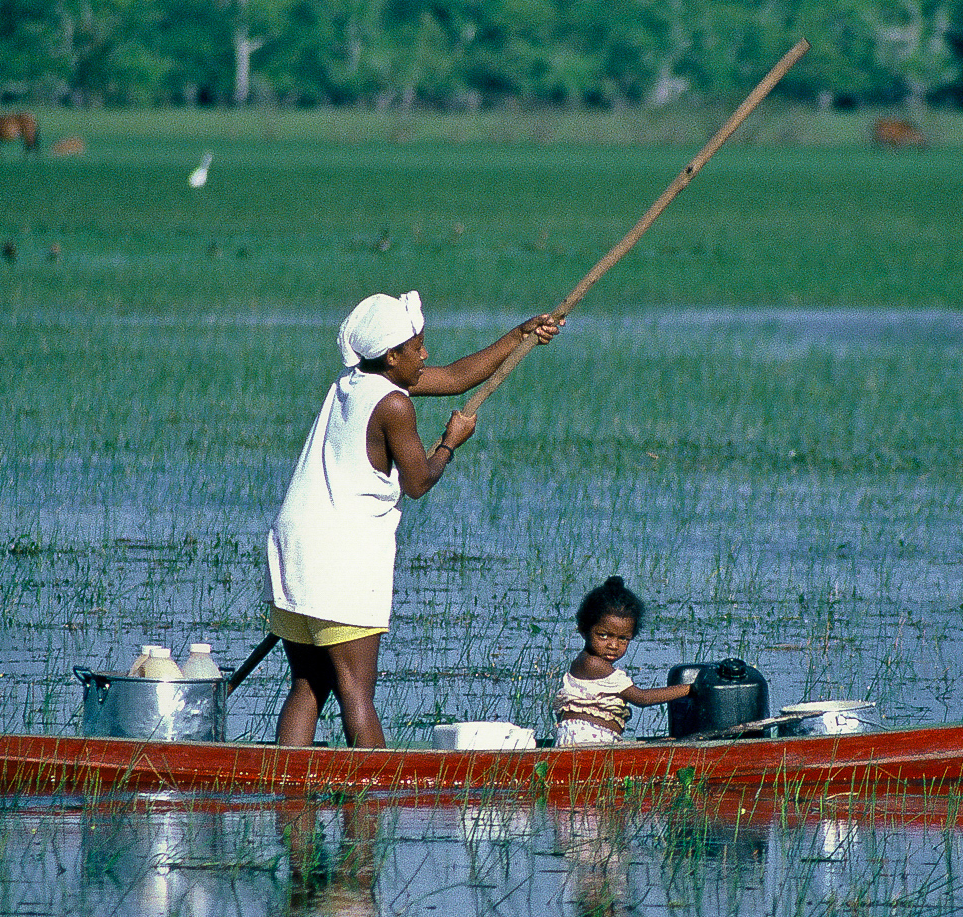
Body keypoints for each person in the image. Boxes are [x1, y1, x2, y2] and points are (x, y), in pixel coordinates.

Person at [269, 291, 560, 748]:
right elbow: (418, 482)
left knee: (308, 686)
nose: (424, 355)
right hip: (340, 555)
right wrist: (450, 441)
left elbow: (457, 377)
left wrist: (520, 335)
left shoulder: (354, 380)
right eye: (417, 347)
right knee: (356, 693)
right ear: (391, 355)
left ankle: (283, 788)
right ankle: (376, 800)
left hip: (297, 546)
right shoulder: (394, 405)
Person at [554, 576, 691, 746]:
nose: (613, 645)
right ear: (584, 630)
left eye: (623, 639)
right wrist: (690, 688)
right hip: (584, 740)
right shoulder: (591, 664)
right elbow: (642, 698)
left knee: (661, 743)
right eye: (603, 635)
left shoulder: (593, 663)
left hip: (597, 740)